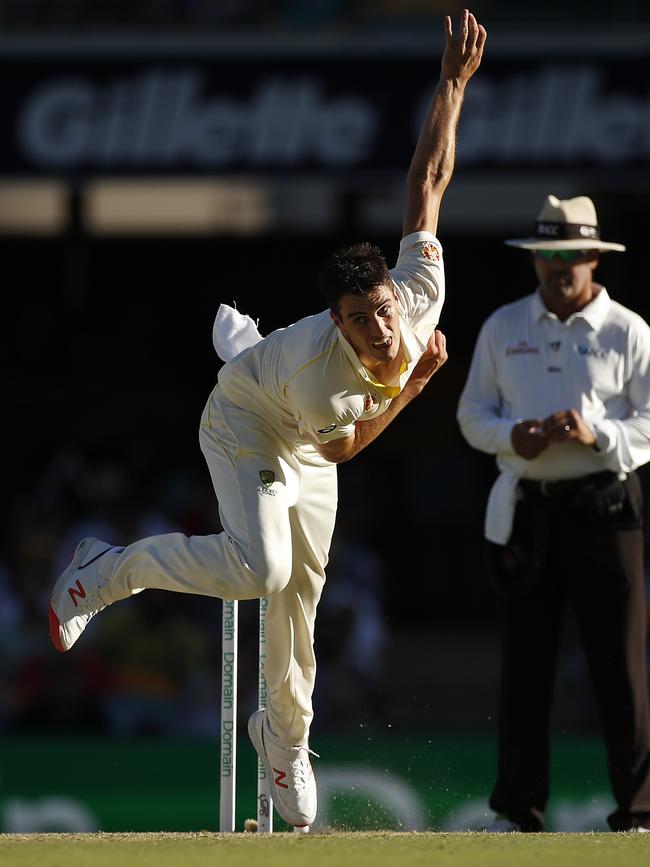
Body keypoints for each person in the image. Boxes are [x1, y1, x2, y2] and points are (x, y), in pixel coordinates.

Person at [49, 9, 486, 829]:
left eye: (384, 310)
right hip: (249, 420)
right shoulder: (329, 374)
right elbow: (350, 443)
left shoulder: (417, 299)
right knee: (261, 569)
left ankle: (282, 743)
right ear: (341, 322)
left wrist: (452, 86)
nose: (382, 328)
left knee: (301, 596)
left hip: (294, 412)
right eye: (361, 320)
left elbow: (427, 183)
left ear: (397, 295)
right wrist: (417, 386)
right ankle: (103, 570)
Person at [457, 193, 650, 833]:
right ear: (534, 261)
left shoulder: (628, 330)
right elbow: (472, 416)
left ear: (595, 257)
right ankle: (519, 809)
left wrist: (595, 434)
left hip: (606, 508)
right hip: (530, 510)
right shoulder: (503, 326)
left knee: (619, 664)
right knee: (526, 663)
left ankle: (641, 807)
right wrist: (517, 438)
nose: (557, 267)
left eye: (570, 254)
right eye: (546, 255)